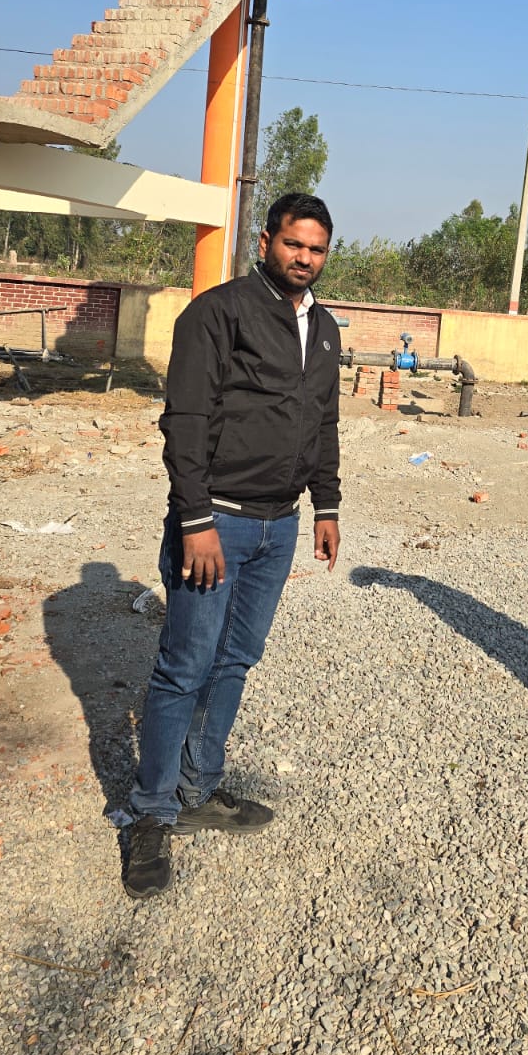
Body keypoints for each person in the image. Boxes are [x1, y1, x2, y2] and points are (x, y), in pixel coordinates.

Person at [122, 193, 343, 899]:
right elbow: (185, 421)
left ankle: (198, 790)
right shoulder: (217, 314)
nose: (303, 258)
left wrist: (326, 505)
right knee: (185, 665)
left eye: (316, 248)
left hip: (279, 527)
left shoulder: (323, 327)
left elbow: (324, 422)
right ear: (265, 240)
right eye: (293, 244)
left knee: (236, 659)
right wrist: (195, 521)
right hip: (218, 521)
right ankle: (150, 813)